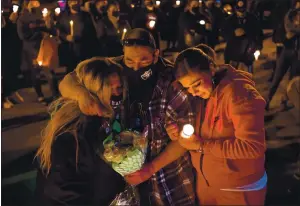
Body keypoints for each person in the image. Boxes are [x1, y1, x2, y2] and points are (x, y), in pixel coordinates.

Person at [58, 28, 196, 206]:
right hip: (123, 174)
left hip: (167, 177)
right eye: (129, 60)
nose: (136, 67)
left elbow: (185, 139)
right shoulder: (114, 68)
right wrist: (81, 95)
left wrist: (150, 169)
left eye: (144, 60)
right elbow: (67, 82)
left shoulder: (171, 80)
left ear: (156, 54)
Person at [130, 46, 267, 205]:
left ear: (211, 68)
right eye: (188, 88)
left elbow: (253, 147)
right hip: (207, 185)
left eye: (197, 84)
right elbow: (200, 129)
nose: (193, 92)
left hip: (239, 188)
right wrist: (178, 131)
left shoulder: (238, 94)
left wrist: (202, 146)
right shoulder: (203, 95)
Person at [35, 59, 127, 205]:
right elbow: (61, 193)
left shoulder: (109, 120)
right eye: (110, 89)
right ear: (93, 92)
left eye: (119, 88)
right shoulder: (72, 134)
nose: (117, 94)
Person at [265, 1, 300, 111]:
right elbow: (288, 29)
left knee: (291, 80)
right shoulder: (290, 15)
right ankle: (267, 101)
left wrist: (295, 32)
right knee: (277, 77)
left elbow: (292, 33)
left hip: (297, 54)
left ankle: (284, 101)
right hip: (287, 51)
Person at [56, 0, 98, 72]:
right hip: (70, 50)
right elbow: (60, 31)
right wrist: (66, 37)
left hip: (84, 49)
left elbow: (92, 32)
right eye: (73, 1)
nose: (75, 3)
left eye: (77, 1)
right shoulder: (63, 16)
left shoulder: (86, 15)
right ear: (69, 3)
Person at [223, 0, 263, 73]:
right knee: (232, 74)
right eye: (239, 10)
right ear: (235, 9)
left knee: (248, 74)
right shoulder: (230, 20)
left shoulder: (253, 18)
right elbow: (224, 33)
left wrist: (258, 47)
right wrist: (233, 33)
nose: (241, 13)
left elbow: (259, 33)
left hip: (248, 51)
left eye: (243, 10)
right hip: (234, 52)